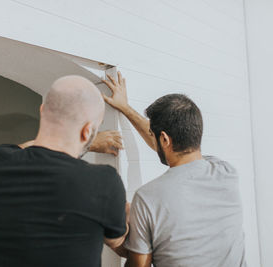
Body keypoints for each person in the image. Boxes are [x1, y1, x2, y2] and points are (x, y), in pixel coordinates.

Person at [0, 75, 129, 267]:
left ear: (42, 111)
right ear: (87, 131)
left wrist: (88, 144)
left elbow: (22, 149)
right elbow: (118, 242)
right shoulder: (104, 182)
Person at [103, 72, 246, 267]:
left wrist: (116, 240)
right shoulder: (227, 172)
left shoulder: (148, 198)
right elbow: (167, 143)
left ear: (164, 139)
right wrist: (125, 108)